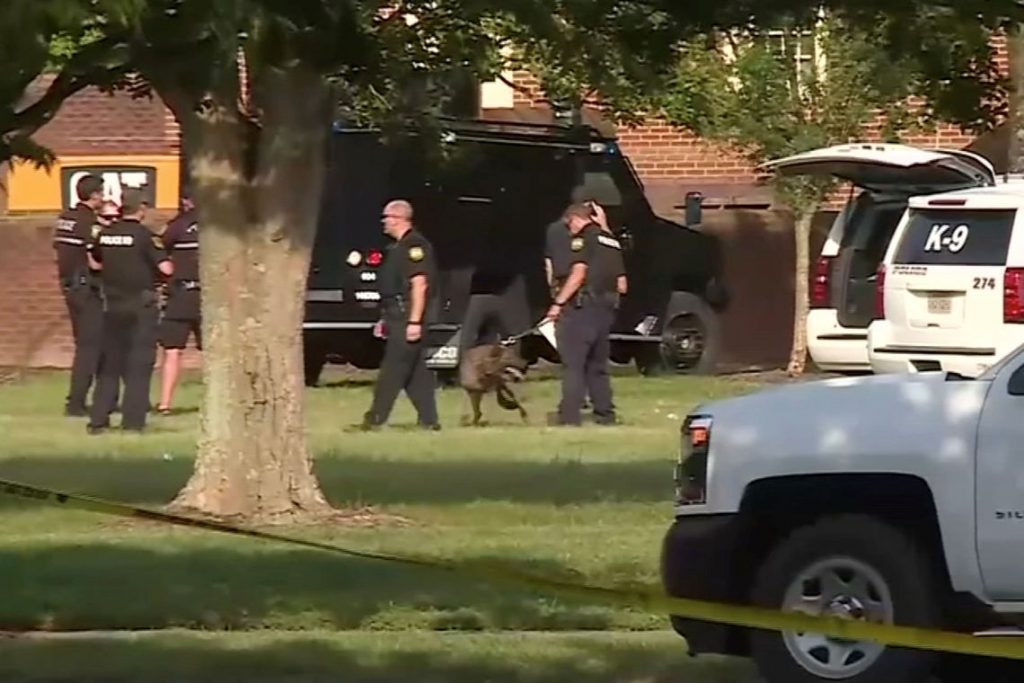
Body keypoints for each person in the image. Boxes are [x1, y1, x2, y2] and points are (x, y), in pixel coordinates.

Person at [87, 189, 173, 434]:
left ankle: (98, 420)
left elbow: (95, 262)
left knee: (109, 367)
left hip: (112, 306)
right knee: (139, 365)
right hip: (140, 308)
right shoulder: (144, 236)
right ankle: (133, 422)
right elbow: (166, 269)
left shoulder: (105, 234)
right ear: (141, 209)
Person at [357, 199, 440, 431]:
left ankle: (375, 419)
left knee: (392, 371)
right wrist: (384, 319)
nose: (384, 222)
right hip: (396, 315)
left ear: (399, 219)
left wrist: (414, 321)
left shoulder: (414, 246)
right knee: (416, 374)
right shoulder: (396, 248)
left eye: (387, 217)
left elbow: (419, 285)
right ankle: (429, 421)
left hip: (407, 317)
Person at [545, 202, 623, 426]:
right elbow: (622, 284)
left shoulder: (582, 239)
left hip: (581, 309)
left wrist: (558, 303)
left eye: (569, 225)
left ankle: (570, 416)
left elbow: (578, 273)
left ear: (574, 219)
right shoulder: (612, 242)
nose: (570, 231)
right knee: (598, 366)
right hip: (605, 309)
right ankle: (605, 414)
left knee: (573, 365)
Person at [54, 174, 105, 416]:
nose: (103, 198)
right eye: (101, 193)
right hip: (86, 288)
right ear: (94, 195)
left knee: (87, 343)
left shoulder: (66, 217)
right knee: (90, 346)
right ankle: (75, 403)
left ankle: (101, 399)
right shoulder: (89, 222)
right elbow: (94, 261)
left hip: (69, 286)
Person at [156, 191, 201, 415]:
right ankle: (221, 402)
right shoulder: (220, 228)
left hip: (180, 295)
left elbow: (158, 250)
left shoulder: (177, 226)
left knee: (172, 351)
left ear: (186, 201)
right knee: (217, 353)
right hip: (208, 297)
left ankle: (165, 404)